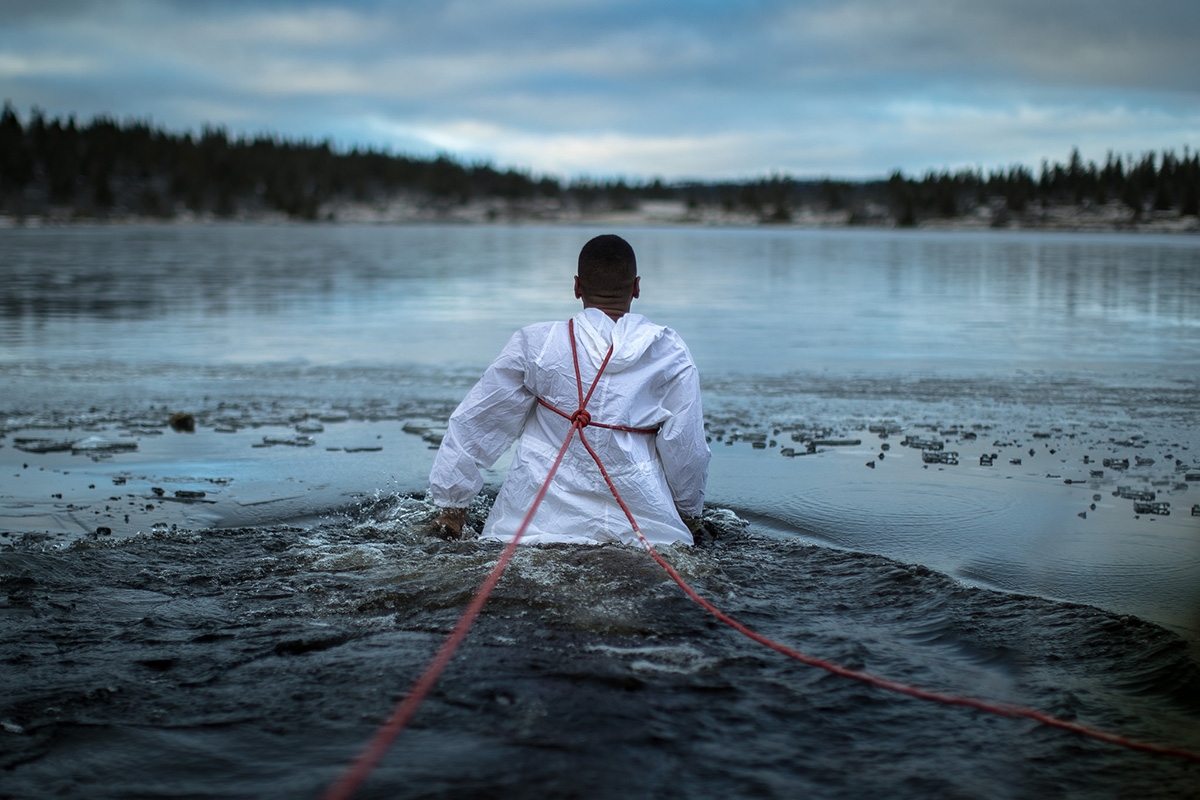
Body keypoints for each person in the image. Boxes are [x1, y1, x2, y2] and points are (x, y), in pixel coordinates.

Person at [428, 234, 710, 545]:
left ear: (576, 287)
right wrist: (689, 515)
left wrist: (452, 510)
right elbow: (687, 450)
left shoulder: (537, 344)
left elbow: (478, 423)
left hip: (532, 529)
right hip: (644, 533)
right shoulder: (669, 353)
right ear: (636, 287)